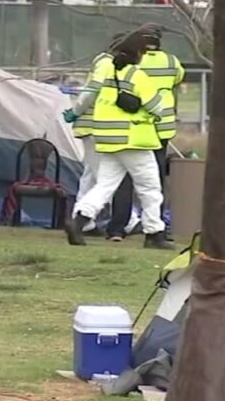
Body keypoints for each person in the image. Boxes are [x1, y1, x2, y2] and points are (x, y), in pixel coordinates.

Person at [62, 31, 174, 250]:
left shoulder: (107, 71)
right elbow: (157, 107)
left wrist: (74, 112)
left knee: (105, 185)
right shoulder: (138, 76)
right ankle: (155, 233)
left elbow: (91, 96)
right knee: (150, 187)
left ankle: (80, 220)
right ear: (139, 54)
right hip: (133, 139)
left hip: (107, 138)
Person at [104, 25, 185, 242]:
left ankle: (117, 227)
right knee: (154, 180)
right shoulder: (171, 61)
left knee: (124, 177)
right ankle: (157, 226)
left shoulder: (133, 62)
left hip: (135, 125)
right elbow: (178, 79)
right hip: (162, 127)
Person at [66, 33, 127, 236]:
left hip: (90, 125)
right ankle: (131, 220)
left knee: (90, 175)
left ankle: (82, 220)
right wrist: (76, 110)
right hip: (95, 126)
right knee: (106, 176)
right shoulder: (107, 64)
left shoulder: (105, 62)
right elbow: (93, 90)